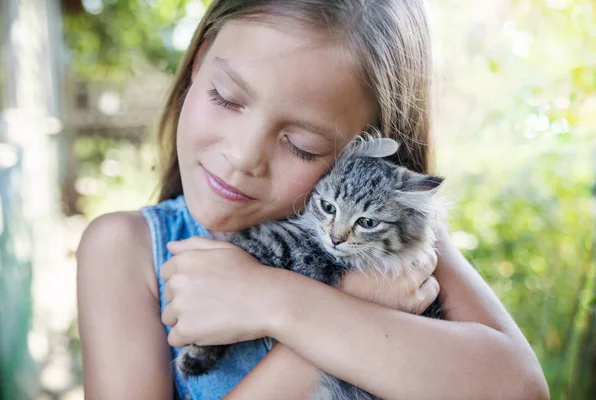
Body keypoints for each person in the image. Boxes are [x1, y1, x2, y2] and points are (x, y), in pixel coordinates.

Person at [76, 1, 550, 399]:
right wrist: (342, 310)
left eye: (302, 144)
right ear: (199, 61)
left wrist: (276, 301)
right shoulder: (126, 250)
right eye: (225, 98)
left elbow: (519, 389)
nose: (242, 157)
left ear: (360, 154)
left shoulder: (391, 233)